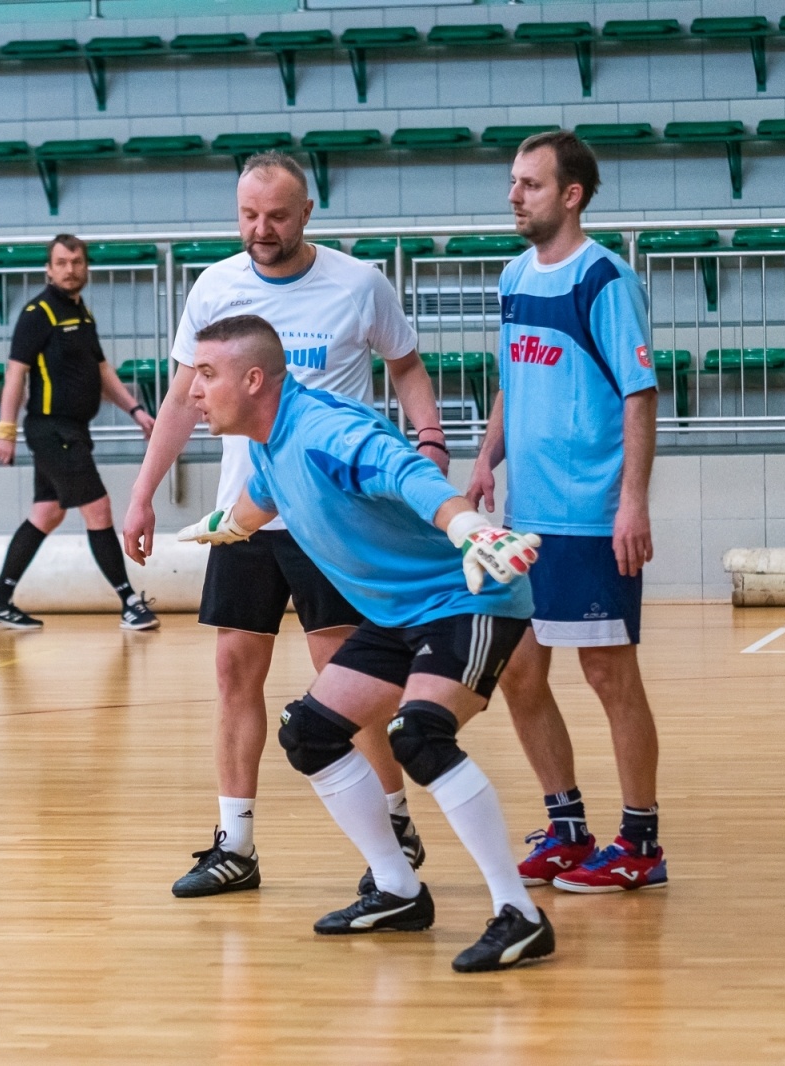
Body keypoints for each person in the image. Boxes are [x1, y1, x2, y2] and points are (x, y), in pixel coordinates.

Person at [178, 314, 554, 973]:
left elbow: (407, 472)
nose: (191, 392)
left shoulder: (327, 432)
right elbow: (255, 507)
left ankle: (519, 914)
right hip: (398, 615)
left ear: (254, 378)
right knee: (310, 734)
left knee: (420, 736)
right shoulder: (270, 441)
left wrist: (467, 525)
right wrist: (213, 529)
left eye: (206, 375)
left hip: (467, 599)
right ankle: (397, 889)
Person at [122, 152, 449, 897]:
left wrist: (427, 438)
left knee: (349, 676)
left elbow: (406, 365)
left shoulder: (358, 284)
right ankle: (234, 843)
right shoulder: (215, 286)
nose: (260, 230)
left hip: (329, 518)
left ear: (307, 213)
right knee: (235, 670)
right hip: (245, 514)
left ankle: (392, 822)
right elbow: (180, 399)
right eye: (247, 215)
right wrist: (143, 493)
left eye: (275, 215)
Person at [467, 131, 668, 893]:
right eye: (514, 182)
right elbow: (512, 380)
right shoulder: (516, 276)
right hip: (526, 518)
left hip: (590, 516)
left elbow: (639, 394)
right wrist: (488, 458)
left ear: (572, 194)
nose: (514, 195)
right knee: (519, 672)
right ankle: (568, 827)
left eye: (530, 184)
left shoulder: (604, 279)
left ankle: (642, 843)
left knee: (609, 676)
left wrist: (633, 503)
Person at [0, 234, 160, 632]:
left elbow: (101, 371)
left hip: (72, 428)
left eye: (76, 262)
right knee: (98, 508)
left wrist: (136, 409)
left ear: (86, 267)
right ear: (49, 268)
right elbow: (15, 375)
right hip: (50, 429)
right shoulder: (37, 312)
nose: (69, 269)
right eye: (61, 262)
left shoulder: (81, 313)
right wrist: (4, 431)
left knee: (46, 514)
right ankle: (129, 602)